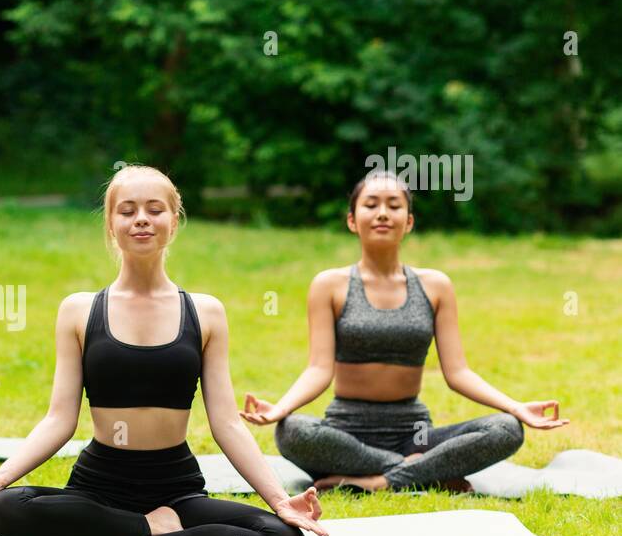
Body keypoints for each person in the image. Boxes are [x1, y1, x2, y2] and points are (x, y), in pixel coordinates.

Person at [0, 165, 326, 536]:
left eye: (154, 209)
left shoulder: (206, 312)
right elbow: (59, 419)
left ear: (174, 222)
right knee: (2, 509)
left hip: (177, 492)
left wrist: (280, 502)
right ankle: (146, 529)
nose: (141, 218)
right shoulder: (79, 310)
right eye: (127, 210)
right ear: (111, 224)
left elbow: (227, 424)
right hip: (99, 489)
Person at [241, 171, 568, 492]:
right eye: (371, 204)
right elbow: (318, 369)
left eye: (394, 205)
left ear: (408, 222)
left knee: (507, 429)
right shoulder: (329, 285)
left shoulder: (436, 286)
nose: (383, 213)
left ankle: (383, 480)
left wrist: (516, 407)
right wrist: (282, 408)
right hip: (346, 433)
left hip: (415, 434)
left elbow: (458, 372)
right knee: (293, 430)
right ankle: (424, 472)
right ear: (352, 220)